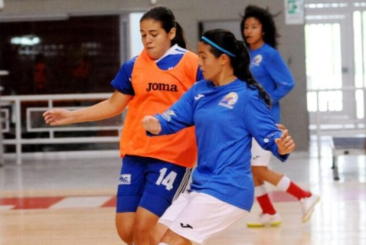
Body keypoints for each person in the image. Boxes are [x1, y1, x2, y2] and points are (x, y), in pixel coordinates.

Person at [43, 6, 203, 245]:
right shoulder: (133, 66)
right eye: (143, 34)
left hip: (173, 156)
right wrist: (70, 116)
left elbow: (209, 105)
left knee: (143, 227)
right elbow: (113, 104)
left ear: (171, 33)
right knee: (127, 231)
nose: (147, 40)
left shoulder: (193, 64)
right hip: (135, 153)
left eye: (153, 34)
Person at [142, 28, 295, 245]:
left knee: (172, 241)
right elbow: (171, 117)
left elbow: (270, 137)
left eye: (203, 57)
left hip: (228, 189)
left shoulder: (247, 95)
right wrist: (156, 124)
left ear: (223, 59)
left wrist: (282, 146)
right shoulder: (199, 91)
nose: (199, 63)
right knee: (154, 237)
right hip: (200, 185)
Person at [240, 5, 319, 227]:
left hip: (267, 120)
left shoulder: (268, 54)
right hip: (251, 120)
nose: (249, 31)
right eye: (246, 27)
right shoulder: (247, 55)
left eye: (254, 27)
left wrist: (268, 99)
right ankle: (269, 212)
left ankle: (304, 196)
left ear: (263, 30)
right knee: (253, 170)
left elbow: (287, 82)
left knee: (259, 169)